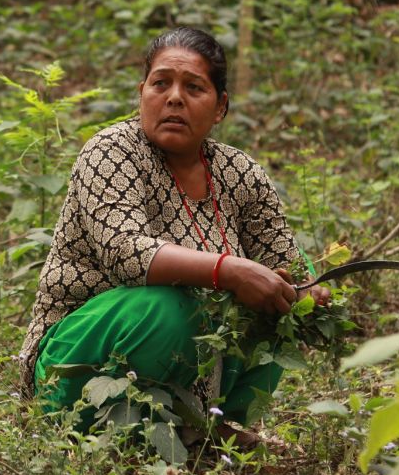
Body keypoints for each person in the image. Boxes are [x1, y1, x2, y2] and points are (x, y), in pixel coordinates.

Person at [17, 27, 330, 438]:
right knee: (167, 308)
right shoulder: (110, 151)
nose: (175, 97)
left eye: (194, 87)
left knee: (286, 282)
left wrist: (311, 294)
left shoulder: (241, 174)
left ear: (220, 108)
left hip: (190, 376)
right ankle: (128, 427)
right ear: (142, 92)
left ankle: (201, 423)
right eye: (161, 83)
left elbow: (283, 261)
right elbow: (126, 252)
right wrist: (230, 270)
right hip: (74, 366)